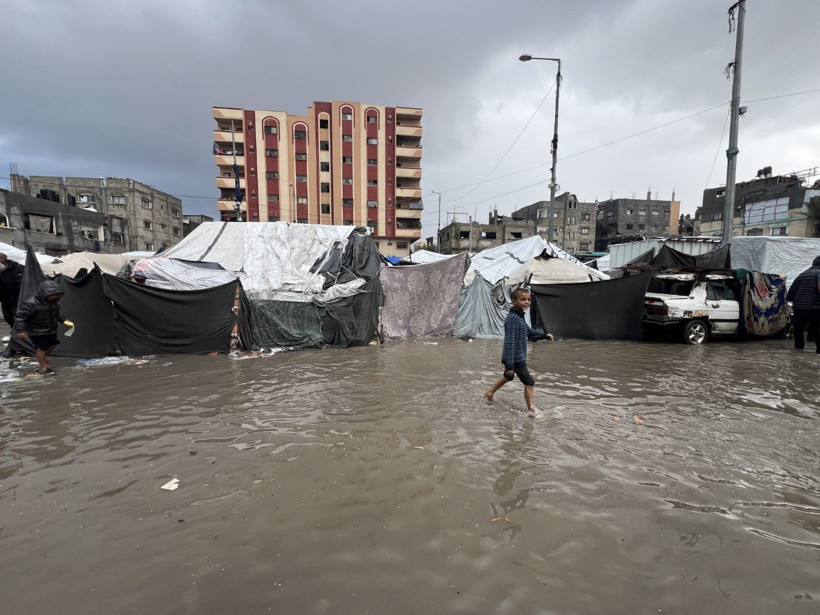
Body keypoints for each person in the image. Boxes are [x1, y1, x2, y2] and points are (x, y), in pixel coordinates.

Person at [483, 287, 554, 418]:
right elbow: (510, 343)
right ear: (514, 301)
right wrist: (510, 365)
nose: (527, 302)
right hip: (515, 358)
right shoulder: (513, 319)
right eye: (523, 299)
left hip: (515, 357)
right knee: (529, 382)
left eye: (528, 299)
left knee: (508, 377)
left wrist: (544, 336)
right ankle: (531, 410)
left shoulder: (519, 316)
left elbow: (529, 332)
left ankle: (490, 393)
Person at [13, 280, 73, 375]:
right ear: (43, 293)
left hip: (51, 329)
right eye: (51, 294)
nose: (54, 296)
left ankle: (42, 359)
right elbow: (20, 317)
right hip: (37, 330)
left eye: (56, 294)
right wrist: (20, 330)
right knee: (42, 348)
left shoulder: (54, 303)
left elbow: (56, 314)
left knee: (52, 345)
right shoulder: (31, 303)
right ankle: (43, 367)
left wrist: (64, 320)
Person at [787, 255, 820, 353]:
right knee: (818, 328)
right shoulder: (819, 273)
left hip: (799, 307)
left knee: (799, 329)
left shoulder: (802, 274)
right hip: (815, 306)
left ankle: (798, 350)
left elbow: (791, 293)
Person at [0, 252, 24, 327]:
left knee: (18, 317)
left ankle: (19, 332)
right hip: (5, 299)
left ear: (2, 259)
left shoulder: (17, 268)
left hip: (18, 298)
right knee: (8, 317)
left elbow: (22, 282)